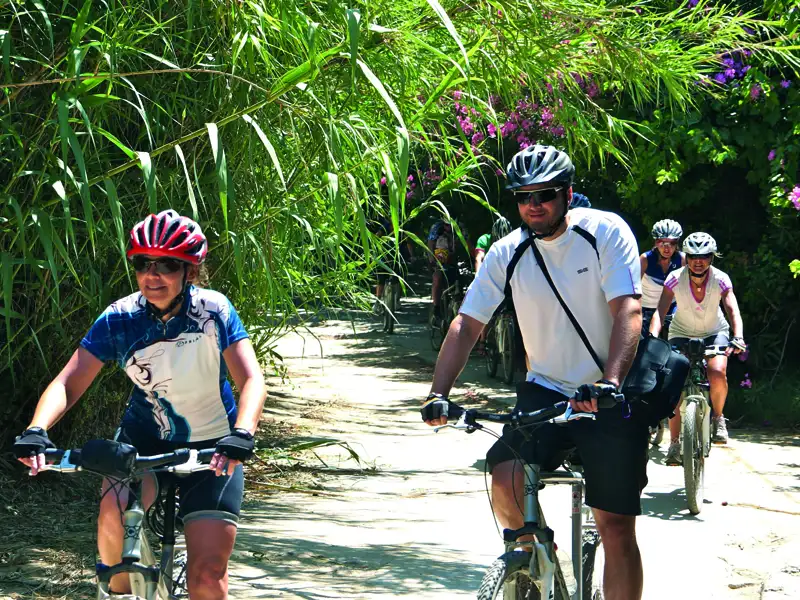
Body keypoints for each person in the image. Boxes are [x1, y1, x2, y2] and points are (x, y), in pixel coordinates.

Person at [421, 145, 646, 599]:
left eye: (544, 194)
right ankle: (536, 563)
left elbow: (628, 308)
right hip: (545, 389)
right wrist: (438, 393)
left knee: (615, 525)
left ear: (566, 193)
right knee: (503, 475)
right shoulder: (509, 252)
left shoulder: (605, 233)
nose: (533, 205)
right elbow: (467, 324)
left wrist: (610, 383)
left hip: (606, 393)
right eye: (524, 197)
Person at [13, 210, 267, 599]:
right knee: (112, 517)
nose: (153, 275)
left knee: (208, 573)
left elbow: (251, 379)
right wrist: (36, 429)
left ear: (190, 272)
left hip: (215, 448)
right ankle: (119, 593)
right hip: (142, 442)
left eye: (167, 265)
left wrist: (243, 433)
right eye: (142, 264)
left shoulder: (214, 311)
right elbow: (69, 381)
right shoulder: (120, 318)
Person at [650, 232, 745, 461]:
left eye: (704, 256)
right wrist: (652, 337)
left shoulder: (721, 279)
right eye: (693, 256)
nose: (698, 261)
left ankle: (718, 418)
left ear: (711, 258)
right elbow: (660, 310)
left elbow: (732, 309)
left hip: (715, 332)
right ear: (687, 257)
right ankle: (674, 444)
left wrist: (738, 336)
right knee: (675, 382)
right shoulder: (674, 278)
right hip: (681, 333)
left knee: (717, 371)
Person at [640, 219, 685, 336]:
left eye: (672, 243)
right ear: (655, 242)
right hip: (647, 307)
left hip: (671, 306)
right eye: (662, 243)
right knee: (644, 345)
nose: (667, 248)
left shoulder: (682, 259)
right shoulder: (645, 259)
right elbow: (632, 288)